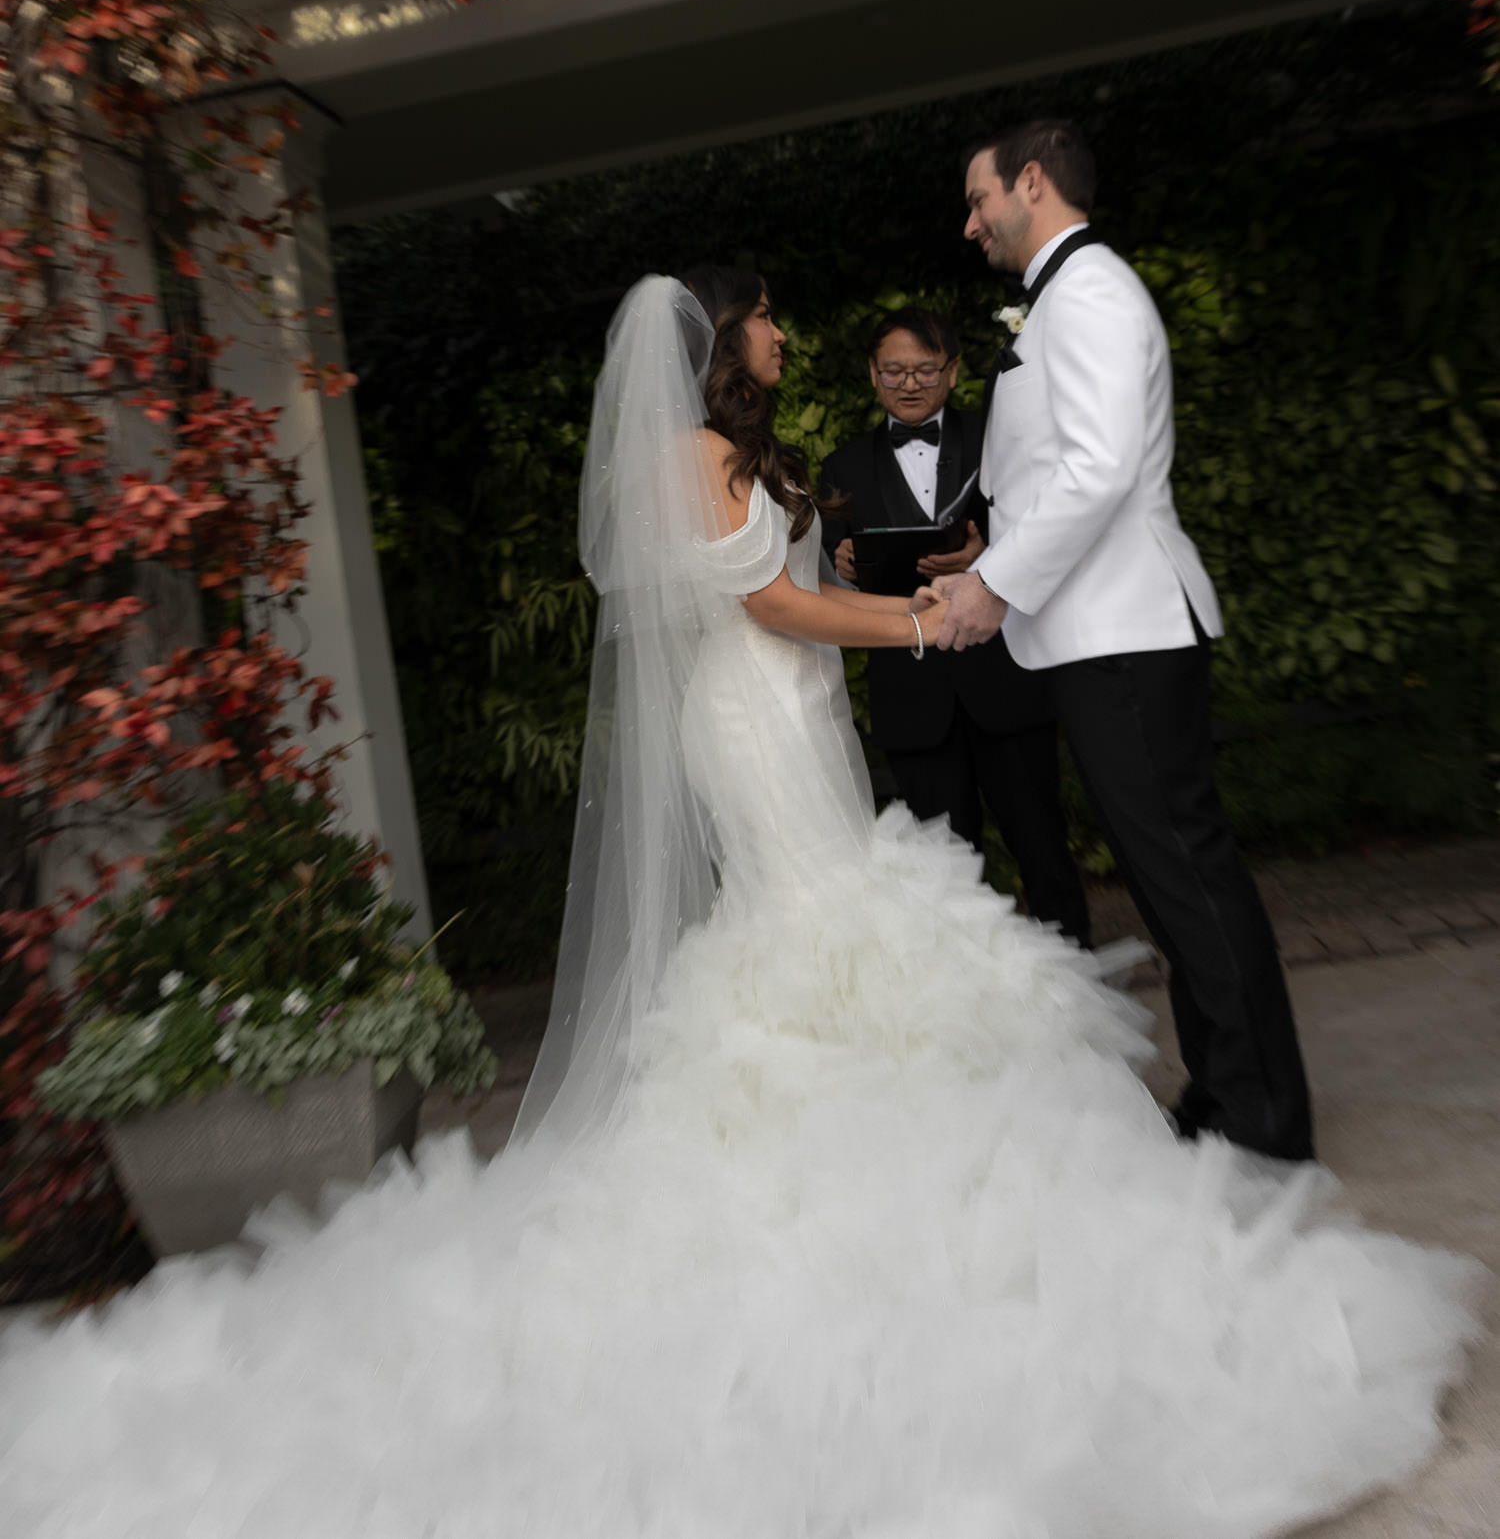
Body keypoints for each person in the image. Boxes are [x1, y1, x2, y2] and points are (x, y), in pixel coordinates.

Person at [0, 267, 1479, 1539]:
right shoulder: (702, 449)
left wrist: (863, 575)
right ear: (721, 333)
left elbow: (774, 580)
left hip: (774, 705)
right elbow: (766, 607)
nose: (784, 337)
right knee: (825, 921)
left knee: (827, 926)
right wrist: (919, 611)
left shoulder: (722, 449)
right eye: (767, 319)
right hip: (757, 710)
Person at [929, 119, 1314, 1163]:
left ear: (1035, 184)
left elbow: (1099, 470)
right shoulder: (1067, 294)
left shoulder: (1090, 290)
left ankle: (1265, 1122)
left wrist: (998, 586)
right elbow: (1055, 469)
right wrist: (987, 550)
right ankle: (1229, 1089)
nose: (971, 224)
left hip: (1126, 632)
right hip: (1105, 632)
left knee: (1185, 872)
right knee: (1168, 877)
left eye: (980, 199)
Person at [819, 304, 1090, 943]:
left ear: (953, 369)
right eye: (893, 371)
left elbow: (1047, 521)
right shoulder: (842, 465)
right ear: (871, 373)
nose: (909, 384)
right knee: (942, 870)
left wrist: (988, 558)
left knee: (1043, 845)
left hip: (1005, 679)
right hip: (912, 693)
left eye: (923, 369)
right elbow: (827, 576)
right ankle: (972, 1008)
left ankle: (1077, 981)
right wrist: (841, 560)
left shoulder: (999, 436)